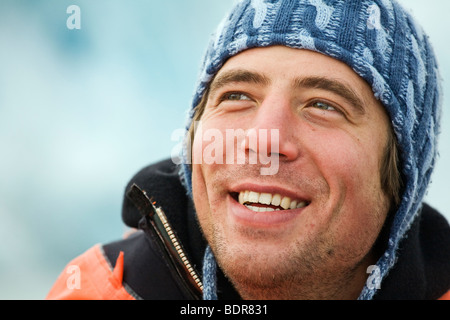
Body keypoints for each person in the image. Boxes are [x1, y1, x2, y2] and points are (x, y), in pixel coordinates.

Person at [47, 0, 450, 300]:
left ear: (402, 176)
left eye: (324, 105)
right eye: (237, 95)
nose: (263, 140)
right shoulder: (95, 288)